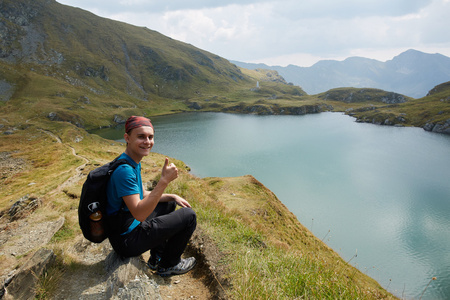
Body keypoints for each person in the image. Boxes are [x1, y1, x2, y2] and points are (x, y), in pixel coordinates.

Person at [106, 115, 197, 276]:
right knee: (189, 216)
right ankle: (169, 265)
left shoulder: (130, 161)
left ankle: (157, 258)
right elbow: (140, 213)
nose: (147, 142)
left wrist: (172, 196)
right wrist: (163, 182)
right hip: (126, 240)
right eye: (141, 137)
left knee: (168, 203)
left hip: (125, 227)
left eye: (150, 137)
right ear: (127, 138)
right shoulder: (124, 171)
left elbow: (140, 194)